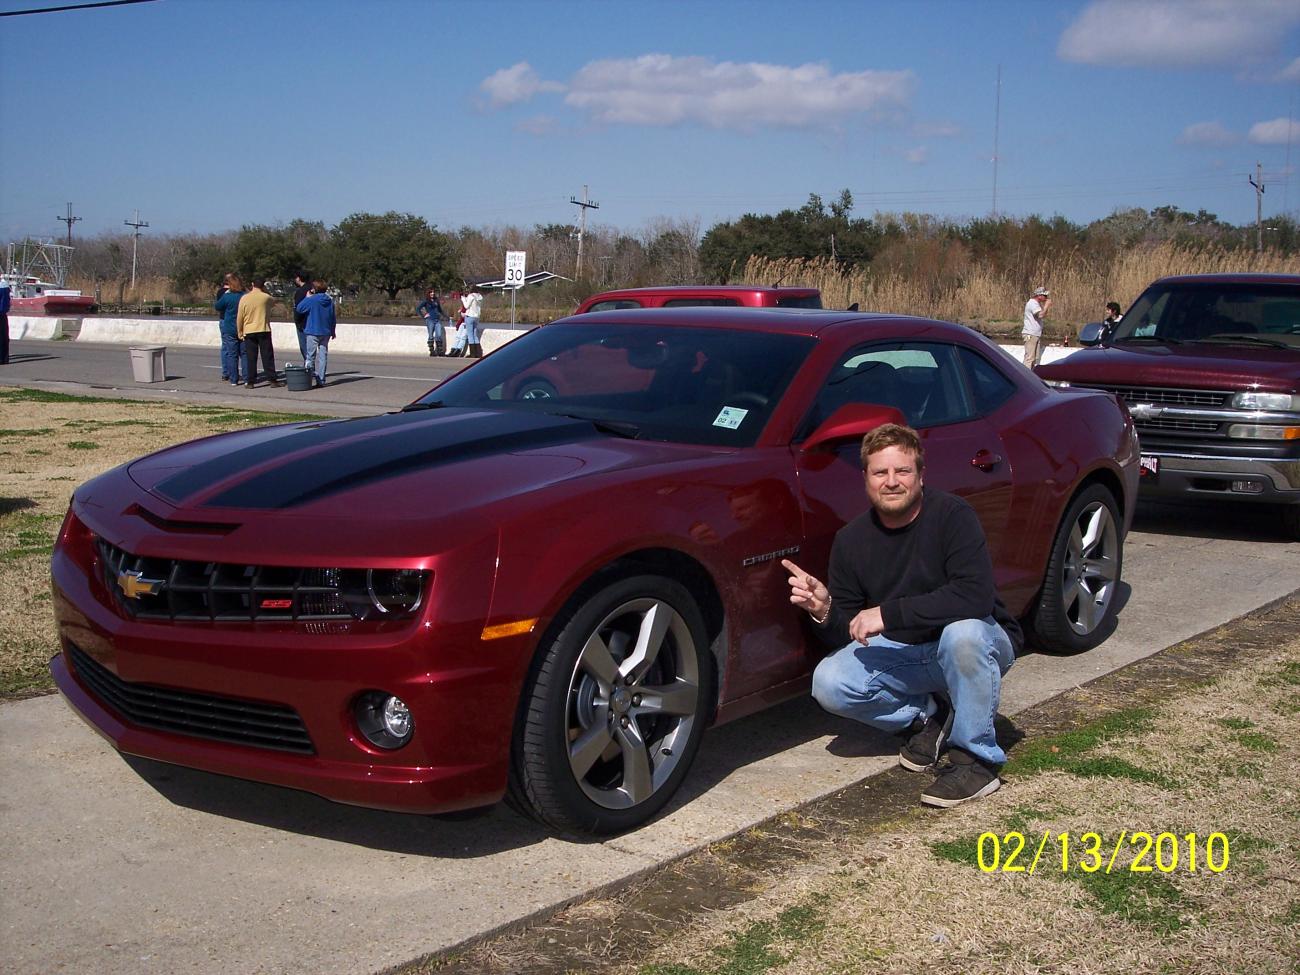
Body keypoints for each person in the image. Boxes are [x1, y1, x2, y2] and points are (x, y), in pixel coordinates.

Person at [783, 423, 1022, 808]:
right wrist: (825, 609)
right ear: (866, 479)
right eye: (881, 472)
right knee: (829, 681)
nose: (891, 481)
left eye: (902, 471)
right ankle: (927, 717)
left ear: (921, 475)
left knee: (963, 635)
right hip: (911, 656)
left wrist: (888, 613)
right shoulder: (851, 540)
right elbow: (850, 635)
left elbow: (974, 597)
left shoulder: (953, 515)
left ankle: (976, 760)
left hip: (976, 645)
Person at [236, 278, 281, 388]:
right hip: (263, 329)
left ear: (252, 284)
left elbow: (240, 317)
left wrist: (240, 331)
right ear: (263, 286)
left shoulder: (244, 298)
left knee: (251, 357)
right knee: (267, 356)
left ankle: (250, 381)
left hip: (249, 330)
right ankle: (272, 380)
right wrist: (265, 291)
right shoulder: (265, 297)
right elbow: (274, 301)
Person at [296, 278, 336, 388]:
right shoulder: (329, 301)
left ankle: (308, 378)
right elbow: (333, 317)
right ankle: (321, 379)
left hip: (313, 330)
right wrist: (333, 330)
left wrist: (307, 297)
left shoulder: (312, 300)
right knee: (323, 356)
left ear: (315, 289)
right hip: (325, 331)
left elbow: (299, 308)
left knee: (310, 357)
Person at [214, 274, 246, 386]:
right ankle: (247, 378)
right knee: (244, 353)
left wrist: (226, 294)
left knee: (232, 354)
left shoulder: (227, 296)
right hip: (243, 327)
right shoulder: (244, 296)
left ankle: (233, 378)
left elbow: (217, 306)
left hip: (229, 327)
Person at [1022, 286, 1050, 368]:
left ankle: (1030, 375)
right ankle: (1025, 376)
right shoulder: (1032, 304)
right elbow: (1040, 315)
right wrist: (1047, 305)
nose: (1046, 298)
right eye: (1045, 296)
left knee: (1033, 358)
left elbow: (1042, 314)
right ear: (1039, 296)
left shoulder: (1035, 304)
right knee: (1029, 358)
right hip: (1030, 334)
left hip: (1035, 334)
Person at [417, 288, 445, 356]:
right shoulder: (426, 301)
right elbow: (418, 309)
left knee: (438, 335)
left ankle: (440, 351)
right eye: (431, 292)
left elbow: (440, 310)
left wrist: (445, 316)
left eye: (433, 292)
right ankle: (432, 351)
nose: (432, 293)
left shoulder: (436, 301)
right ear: (428, 293)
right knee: (431, 336)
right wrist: (424, 315)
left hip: (437, 320)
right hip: (430, 320)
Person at [461, 283, 484, 358]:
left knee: (470, 335)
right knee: (475, 335)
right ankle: (478, 352)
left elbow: (466, 306)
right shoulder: (480, 296)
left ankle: (473, 354)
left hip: (470, 316)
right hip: (477, 317)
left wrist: (463, 299)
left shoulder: (471, 296)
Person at [292, 273, 311, 361]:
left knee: (304, 347)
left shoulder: (300, 292)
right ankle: (309, 365)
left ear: (299, 278)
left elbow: (298, 309)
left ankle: (309, 367)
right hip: (311, 321)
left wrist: (297, 321)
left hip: (302, 322)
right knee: (310, 347)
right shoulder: (312, 289)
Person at [0, 277, 10, 365]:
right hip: (3, 314)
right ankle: (4, 358)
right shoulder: (5, 285)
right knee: (3, 336)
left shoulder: (3, 285)